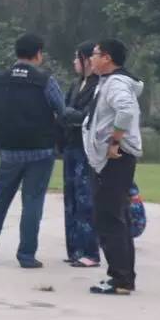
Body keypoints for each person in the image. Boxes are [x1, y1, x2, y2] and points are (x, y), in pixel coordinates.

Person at [0, 33, 65, 268]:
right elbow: (62, 109)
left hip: (9, 149)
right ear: (38, 54)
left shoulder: (0, 79)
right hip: (40, 150)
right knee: (32, 202)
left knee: (0, 199)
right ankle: (26, 256)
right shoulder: (45, 80)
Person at [83, 39, 143, 295]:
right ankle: (124, 276)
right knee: (115, 216)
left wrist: (115, 141)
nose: (91, 58)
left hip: (115, 159)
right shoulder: (108, 82)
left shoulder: (116, 83)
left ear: (107, 58)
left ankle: (120, 279)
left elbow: (125, 111)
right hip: (107, 160)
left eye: (95, 54)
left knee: (109, 217)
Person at [60, 42, 101, 267]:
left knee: (86, 199)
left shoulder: (98, 86)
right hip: (70, 147)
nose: (75, 62)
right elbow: (64, 111)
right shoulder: (76, 85)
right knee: (71, 199)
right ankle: (75, 249)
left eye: (78, 58)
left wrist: (69, 114)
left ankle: (90, 252)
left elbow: (88, 116)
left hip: (87, 149)